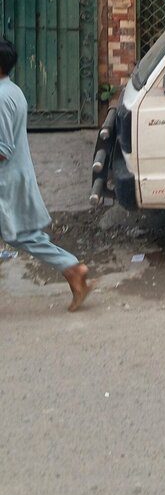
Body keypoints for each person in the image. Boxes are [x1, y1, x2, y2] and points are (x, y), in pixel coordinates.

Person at [0, 39, 93, 311]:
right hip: (13, 177)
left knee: (21, 235)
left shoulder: (3, 97)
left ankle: (73, 269)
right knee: (22, 235)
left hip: (6, 180)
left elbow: (3, 148)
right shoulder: (12, 91)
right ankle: (72, 269)